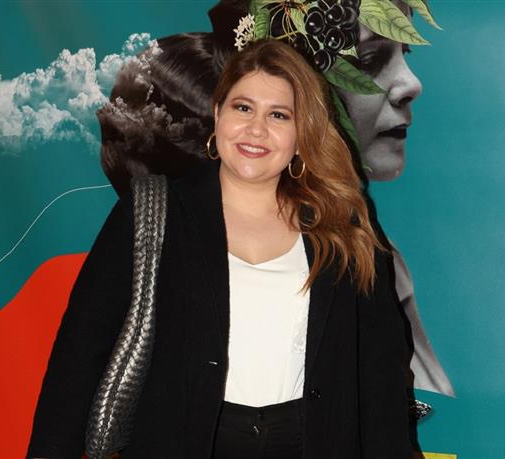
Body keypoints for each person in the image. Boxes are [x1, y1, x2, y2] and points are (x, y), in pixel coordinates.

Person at [28, 39, 417, 458]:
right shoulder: (152, 213)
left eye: (279, 115)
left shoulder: (342, 225)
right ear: (218, 115)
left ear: (301, 133)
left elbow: (381, 373)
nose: (256, 129)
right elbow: (78, 359)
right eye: (243, 108)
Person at [97, 0, 454, 397]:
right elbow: (78, 368)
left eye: (278, 115)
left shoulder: (350, 239)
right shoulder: (150, 231)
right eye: (368, 59)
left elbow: (392, 398)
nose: (411, 84)